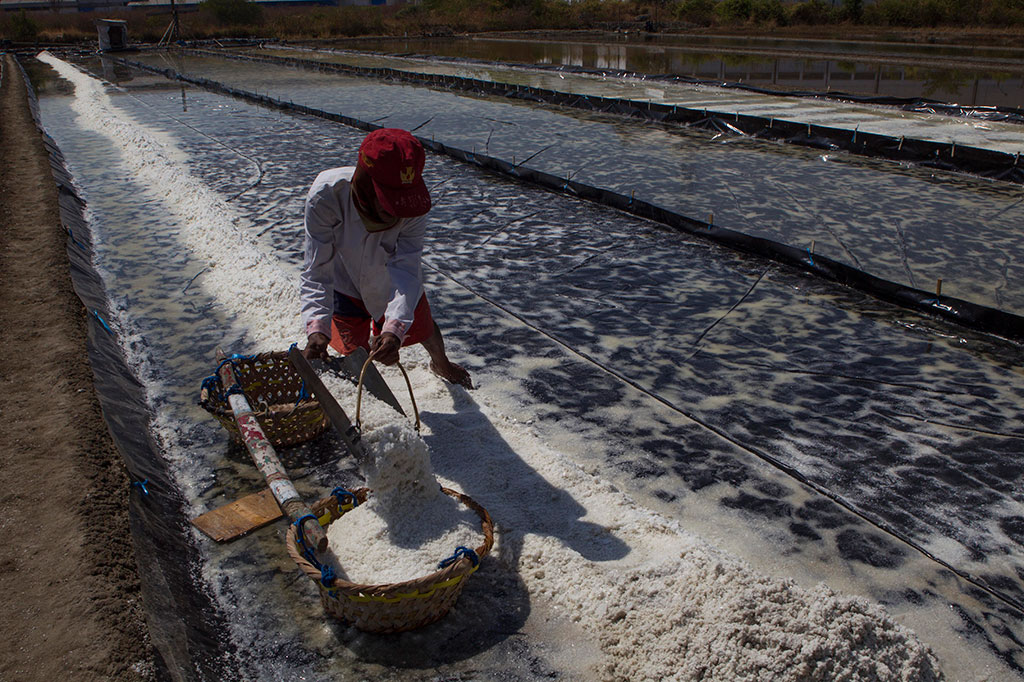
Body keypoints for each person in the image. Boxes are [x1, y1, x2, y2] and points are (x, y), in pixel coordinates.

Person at [299, 128, 472, 389]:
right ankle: (363, 386)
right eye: (387, 203)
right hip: (344, 278)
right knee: (352, 350)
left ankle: (440, 362)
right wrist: (317, 327)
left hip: (389, 276)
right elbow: (317, 268)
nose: (396, 214)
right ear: (363, 183)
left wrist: (395, 329)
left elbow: (407, 267)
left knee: (422, 325)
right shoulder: (326, 196)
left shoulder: (413, 205)